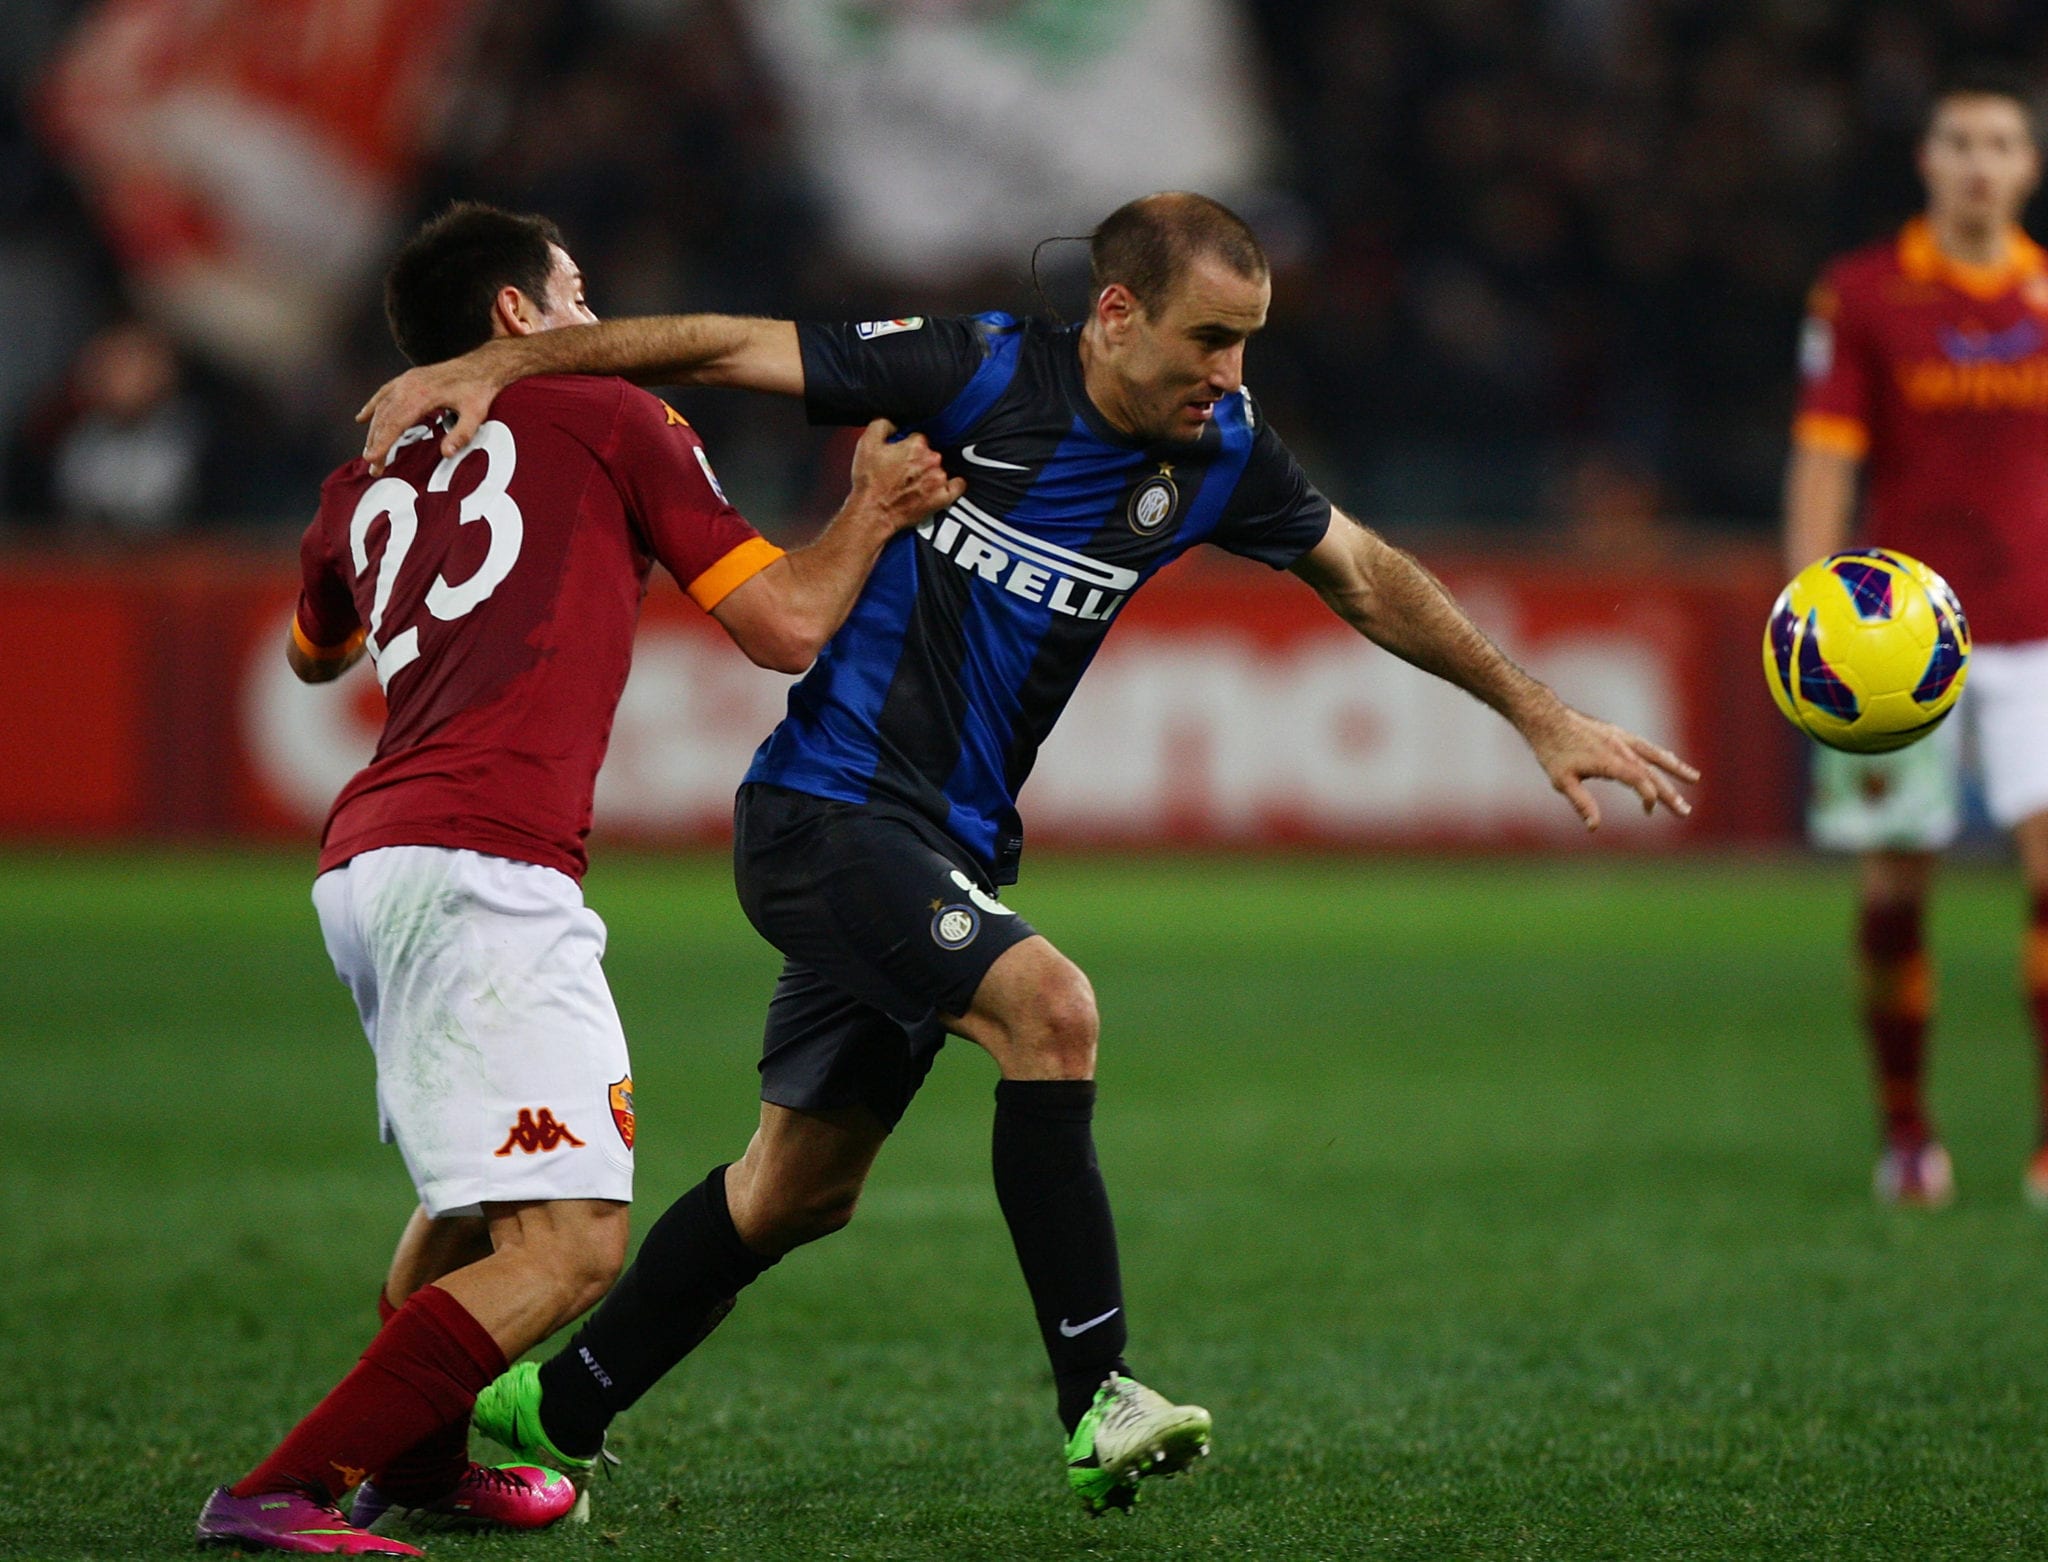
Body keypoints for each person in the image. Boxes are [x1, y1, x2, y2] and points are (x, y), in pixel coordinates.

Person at [359, 191, 1697, 1517]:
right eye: (1209, 338)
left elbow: (1363, 571)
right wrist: (503, 358)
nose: (1231, 375)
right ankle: (1101, 1395)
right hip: (823, 815)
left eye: (1249, 341)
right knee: (1049, 1006)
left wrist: (1541, 710)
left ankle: (553, 1406)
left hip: (941, 845)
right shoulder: (980, 370)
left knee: (797, 1189)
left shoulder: (1220, 449)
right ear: (1116, 315)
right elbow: (723, 346)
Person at [194, 202, 960, 1556]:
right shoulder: (613, 414)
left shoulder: (356, 476)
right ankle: (282, 1489)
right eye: (572, 288)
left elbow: (319, 650)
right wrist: (872, 510)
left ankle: (420, 1468)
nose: (593, 310)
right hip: (486, 862)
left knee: (472, 1198)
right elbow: (783, 624)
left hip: (371, 861)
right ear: (512, 316)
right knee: (572, 1248)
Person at [1785, 68, 2048, 1210]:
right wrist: (1806, 613)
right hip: (1897, 639)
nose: (1978, 161)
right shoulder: (1862, 295)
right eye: (1958, 141)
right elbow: (1824, 455)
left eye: (1998, 142)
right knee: (1894, 890)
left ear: (2027, 165)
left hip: (2039, 626)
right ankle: (1904, 1126)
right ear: (1926, 162)